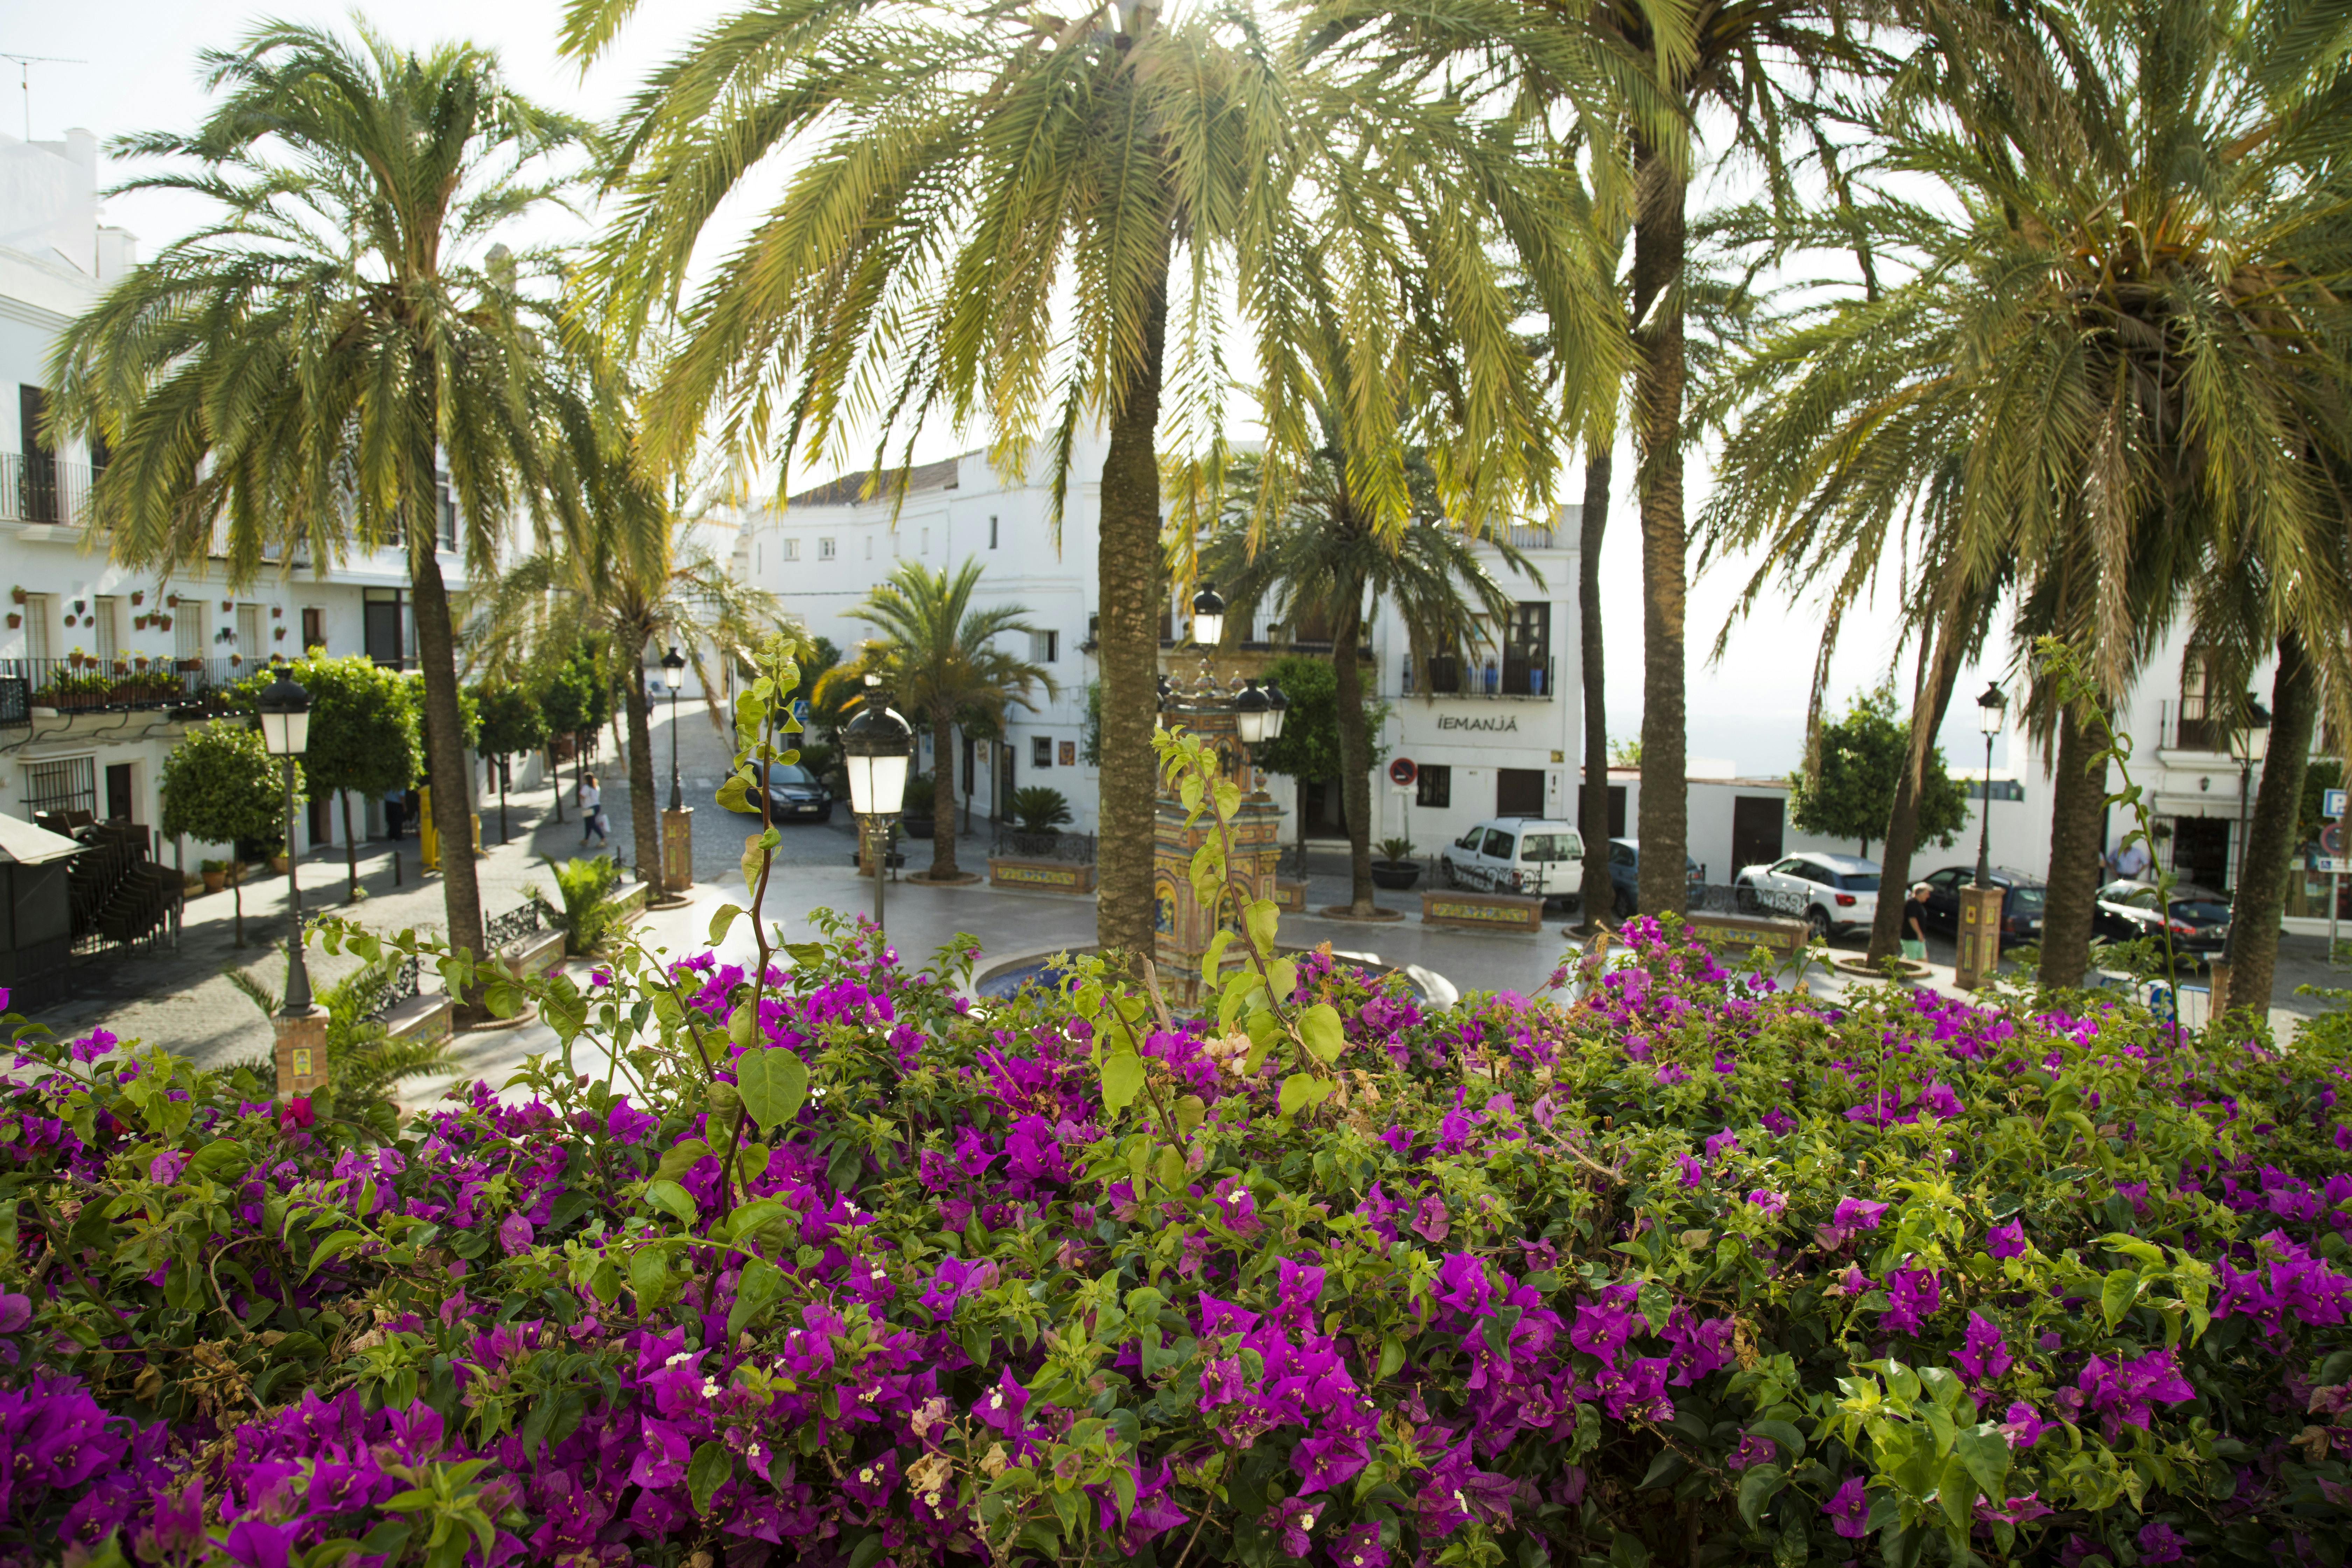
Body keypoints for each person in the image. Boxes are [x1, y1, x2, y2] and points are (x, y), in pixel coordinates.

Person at [1902, 882, 1933, 964]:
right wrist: (1919, 934)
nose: (1928, 896)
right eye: (1926, 893)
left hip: (1918, 939)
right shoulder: (1911, 903)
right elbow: (1912, 919)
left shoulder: (1918, 904)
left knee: (1922, 959)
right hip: (1911, 938)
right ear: (1919, 893)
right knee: (1911, 961)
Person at [580, 773, 608, 846]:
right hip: (596, 806)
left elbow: (582, 795)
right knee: (588, 823)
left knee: (592, 823)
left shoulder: (586, 787)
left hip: (589, 807)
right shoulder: (596, 787)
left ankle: (603, 838)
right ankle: (586, 839)